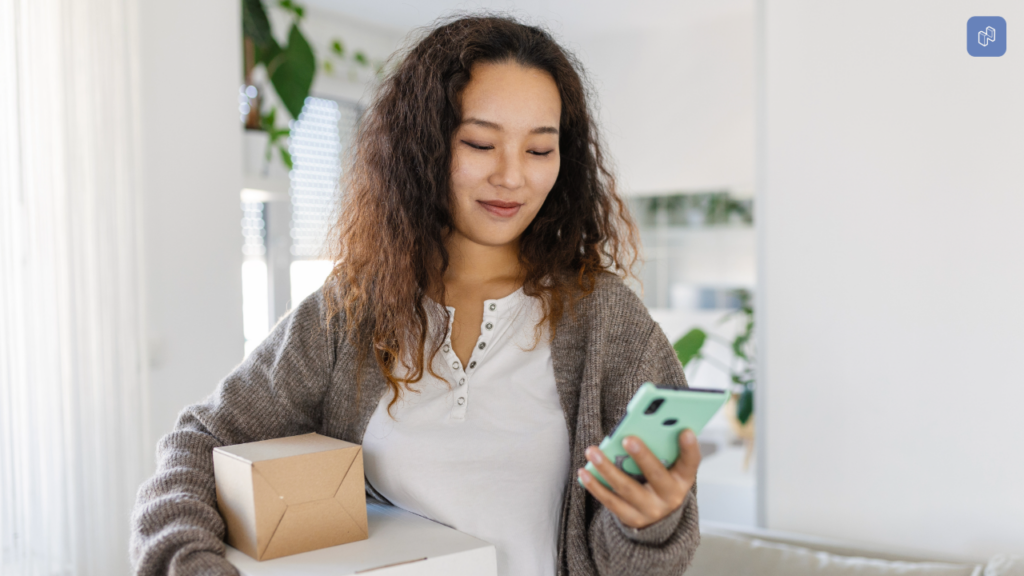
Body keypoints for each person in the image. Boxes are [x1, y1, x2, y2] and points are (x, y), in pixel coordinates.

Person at [130, 14, 702, 576]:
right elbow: (200, 444)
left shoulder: (606, 321)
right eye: (480, 143)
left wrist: (648, 523)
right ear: (424, 147)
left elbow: (632, 561)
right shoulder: (352, 311)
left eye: (539, 150)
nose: (512, 176)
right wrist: (189, 565)